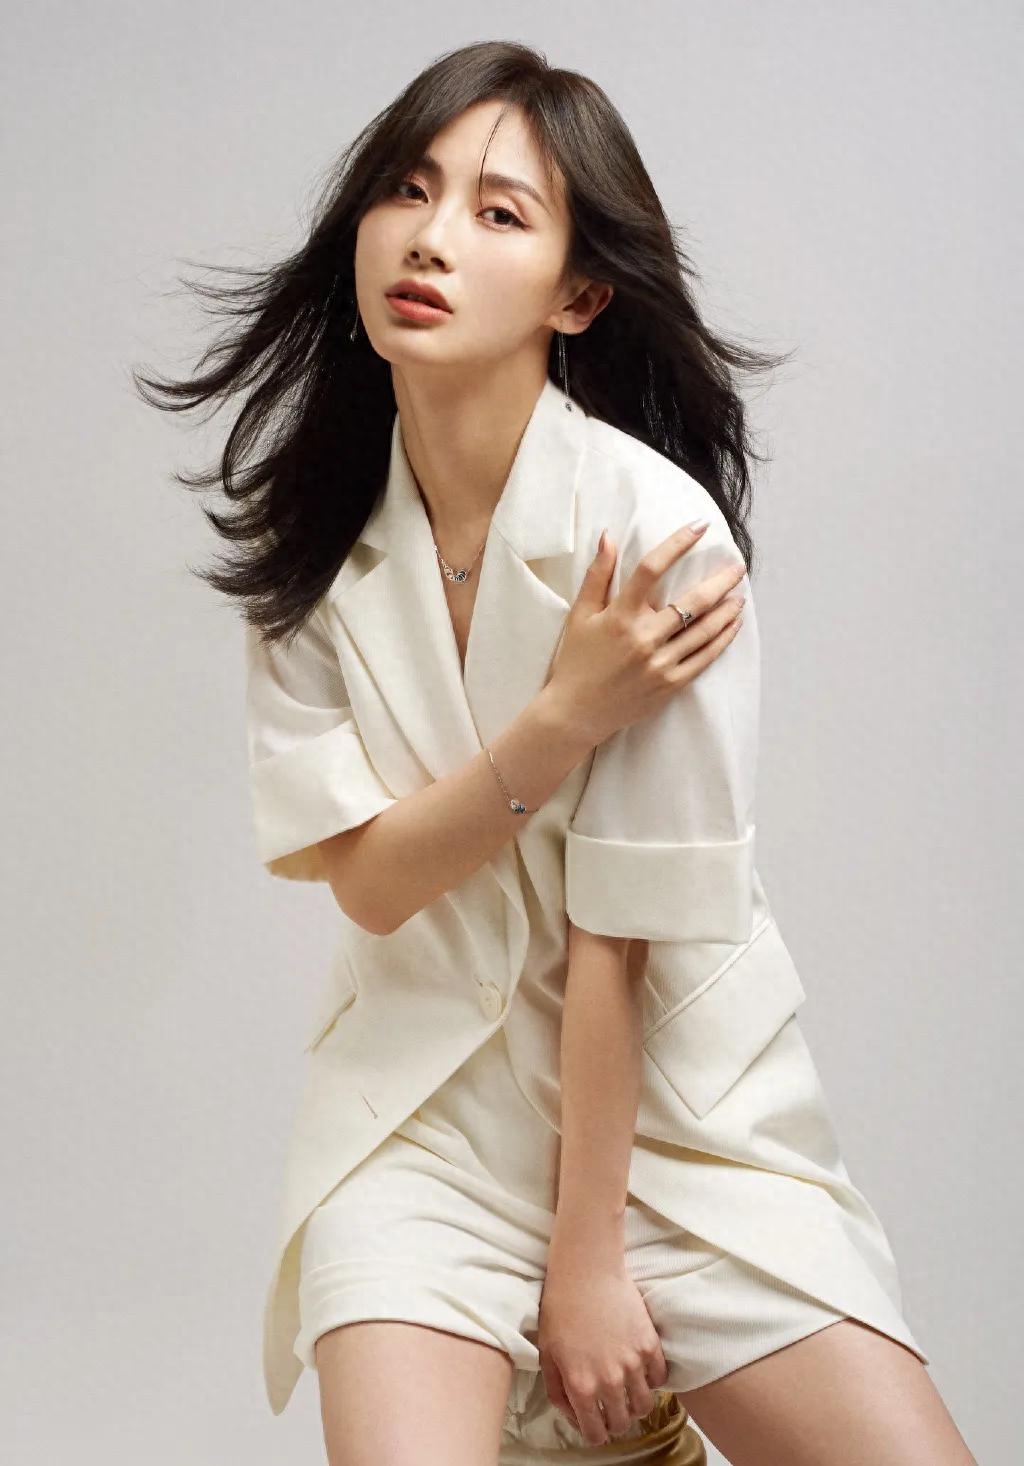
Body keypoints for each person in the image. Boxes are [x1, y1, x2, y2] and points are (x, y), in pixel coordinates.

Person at [135, 39, 975, 1466]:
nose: (431, 239)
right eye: (408, 191)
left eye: (499, 212)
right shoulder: (312, 537)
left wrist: (588, 1259)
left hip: (680, 1129)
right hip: (426, 1125)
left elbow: (619, 932)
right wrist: (563, 717)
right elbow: (373, 882)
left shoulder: (660, 538)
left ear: (579, 295)